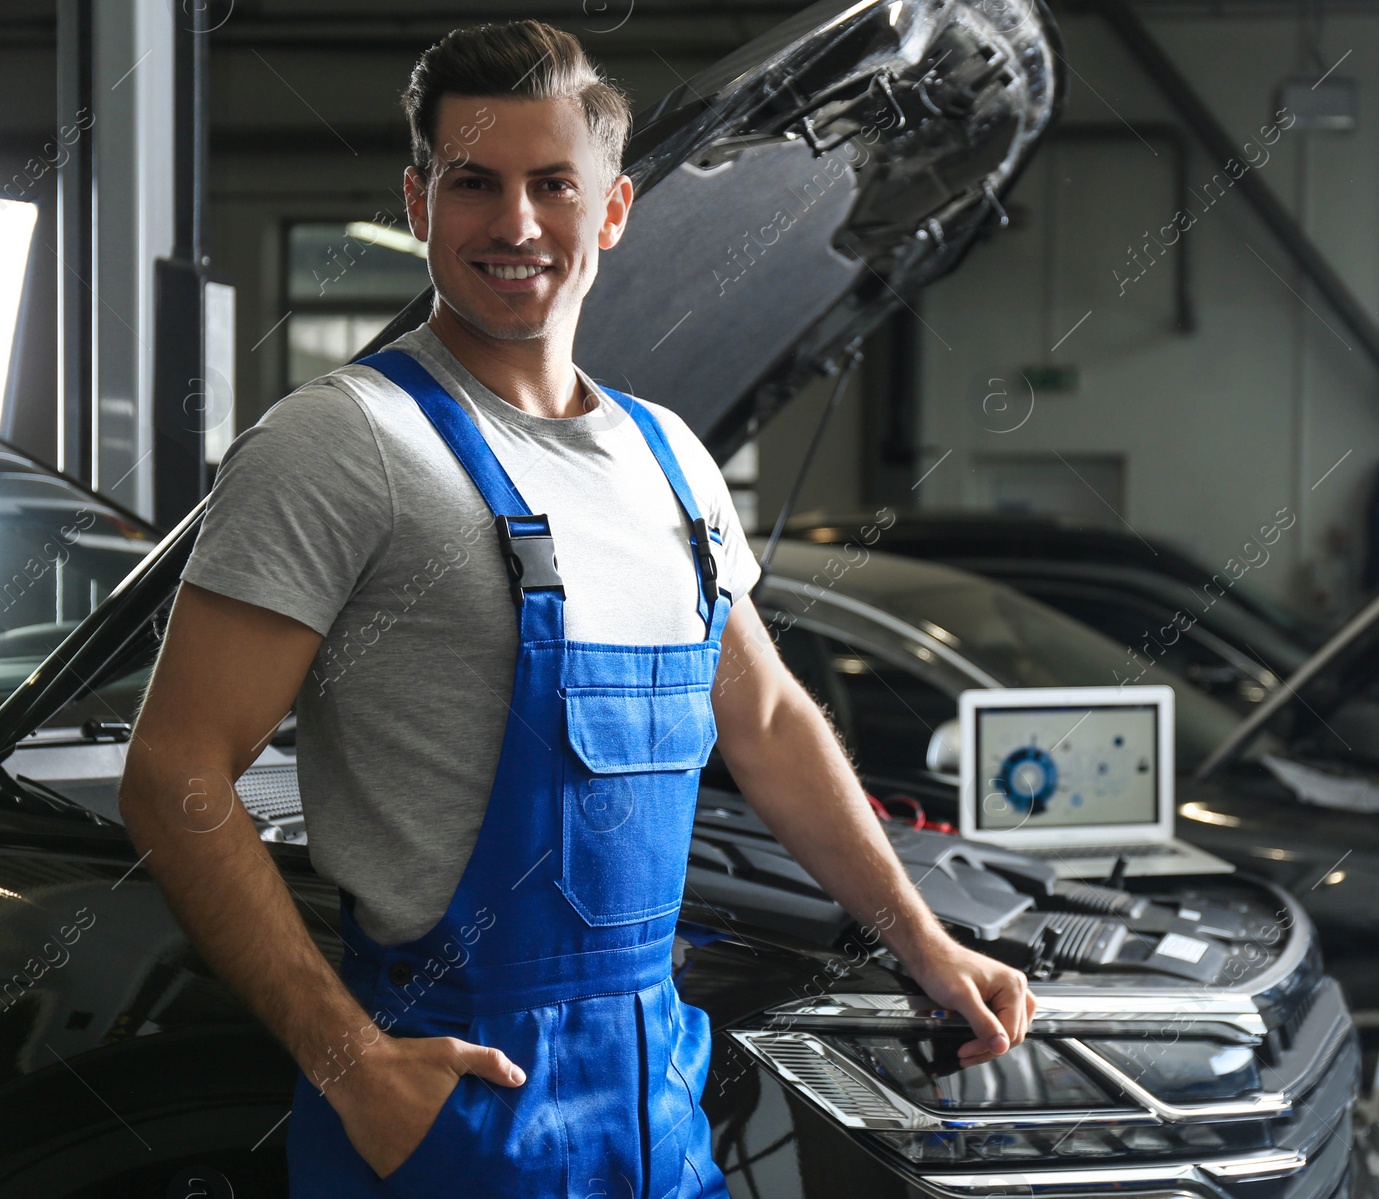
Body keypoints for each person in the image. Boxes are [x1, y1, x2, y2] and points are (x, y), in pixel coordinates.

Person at [118, 18, 1036, 1198]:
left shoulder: (672, 462)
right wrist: (351, 1062)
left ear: (612, 210)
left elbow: (765, 723)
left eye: (553, 184)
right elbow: (173, 770)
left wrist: (925, 940)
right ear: (417, 201)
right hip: (455, 1093)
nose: (514, 224)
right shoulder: (343, 442)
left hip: (659, 1093)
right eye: (473, 183)